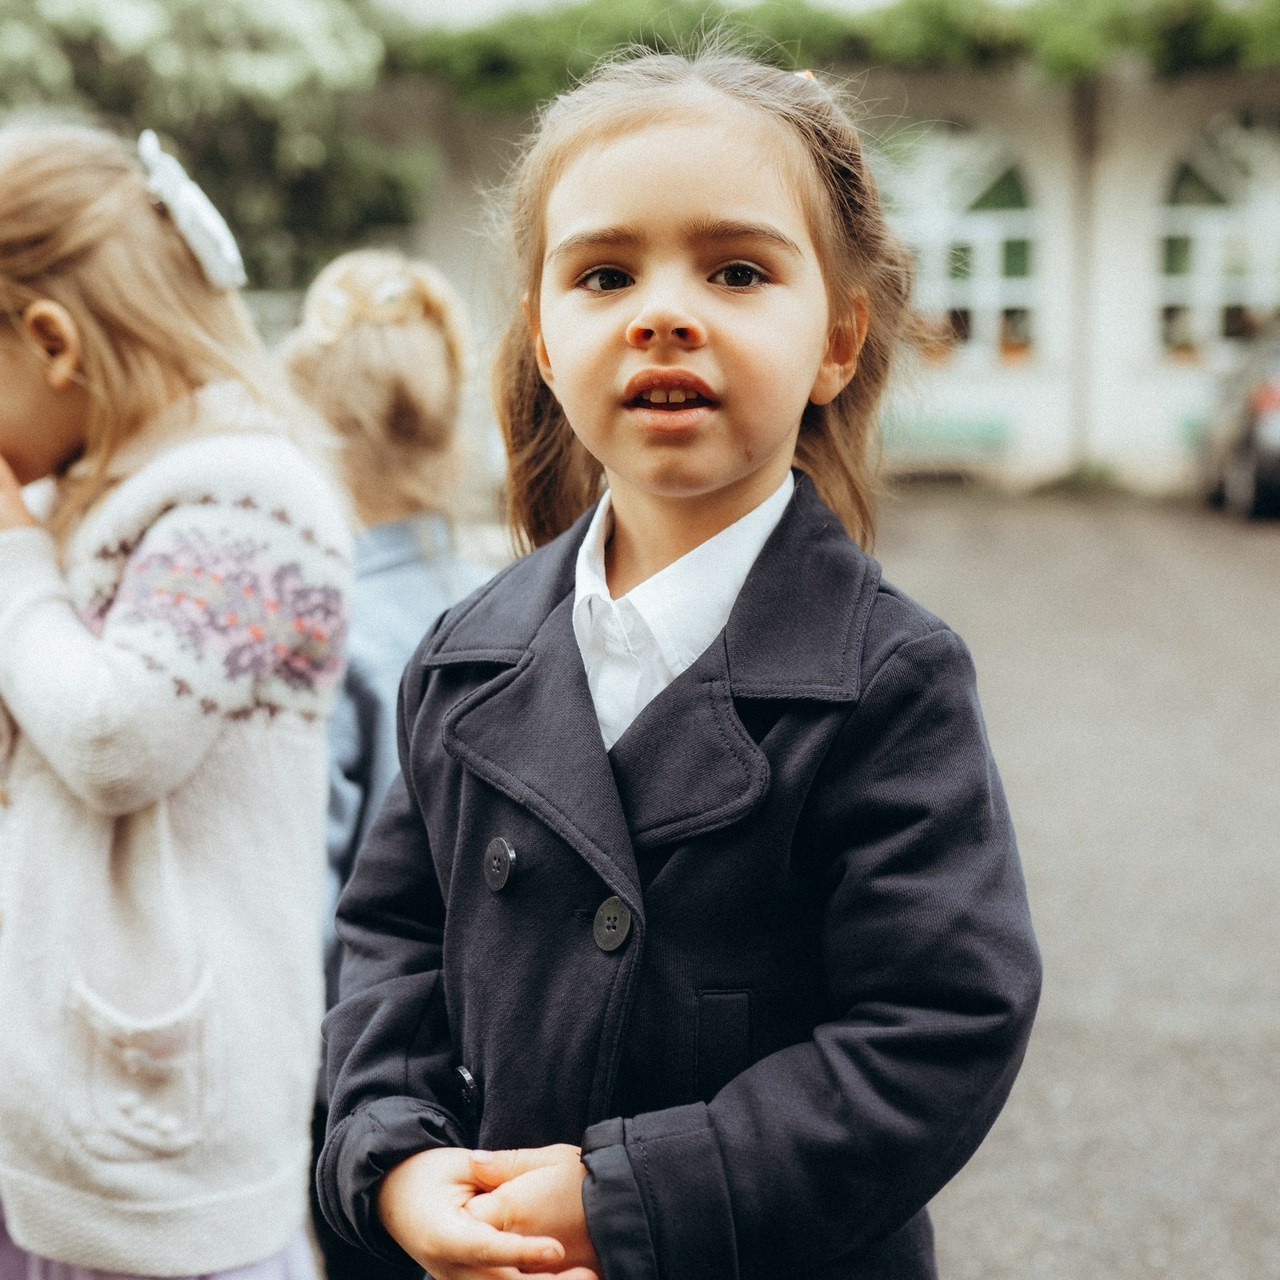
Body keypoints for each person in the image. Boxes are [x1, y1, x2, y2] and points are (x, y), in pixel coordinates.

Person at [317, 46, 1042, 1280]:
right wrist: (392, 1155)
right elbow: (390, 935)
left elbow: (937, 1026)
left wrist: (627, 1195)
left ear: (836, 339)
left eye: (736, 269)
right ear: (546, 339)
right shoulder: (467, 649)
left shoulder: (889, 678)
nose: (663, 309)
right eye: (605, 272)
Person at [0, 121, 351, 1280]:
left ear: (50, 341)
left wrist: (11, 557)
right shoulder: (91, 503)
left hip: (162, 1146)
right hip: (54, 1124)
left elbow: (112, 737)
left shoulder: (247, 495)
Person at [279, 248, 492, 1280]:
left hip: (357, 1073)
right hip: (491, 1051)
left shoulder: (323, 625)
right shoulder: (504, 597)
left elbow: (310, 883)